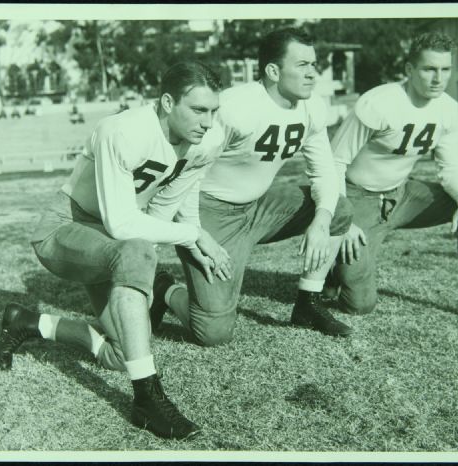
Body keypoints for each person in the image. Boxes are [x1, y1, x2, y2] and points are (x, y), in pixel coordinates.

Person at [0, 62, 231, 440]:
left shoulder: (208, 139)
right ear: (168, 102)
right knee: (134, 252)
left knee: (122, 356)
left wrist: (186, 235)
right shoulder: (123, 130)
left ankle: (28, 322)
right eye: (199, 110)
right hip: (66, 226)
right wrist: (191, 235)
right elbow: (121, 224)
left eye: (213, 110)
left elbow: (172, 196)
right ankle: (147, 400)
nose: (208, 121)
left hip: (114, 239)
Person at [148, 28, 356, 347]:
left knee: (338, 208)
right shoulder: (236, 108)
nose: (313, 73)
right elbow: (185, 172)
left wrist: (322, 220)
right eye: (302, 65)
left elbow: (324, 172)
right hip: (210, 211)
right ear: (273, 71)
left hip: (258, 206)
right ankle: (164, 289)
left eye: (313, 64)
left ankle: (308, 303)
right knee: (213, 333)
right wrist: (194, 232)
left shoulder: (312, 106)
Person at [323, 32, 458, 325]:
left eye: (445, 69)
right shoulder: (379, 103)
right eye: (429, 69)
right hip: (359, 196)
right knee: (359, 304)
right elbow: (334, 161)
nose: (438, 78)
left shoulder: (448, 108)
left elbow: (450, 166)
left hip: (401, 194)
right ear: (409, 70)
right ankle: (332, 267)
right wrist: (342, 218)